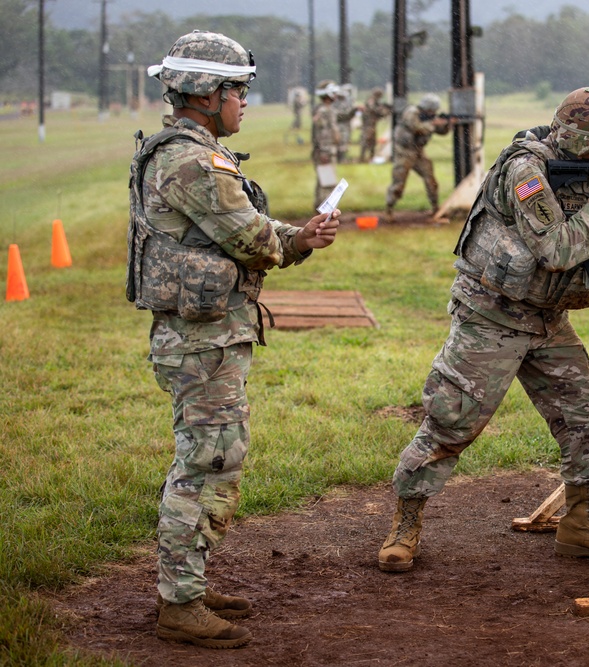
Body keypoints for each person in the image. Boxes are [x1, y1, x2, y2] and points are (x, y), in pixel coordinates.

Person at [377, 86, 589, 573]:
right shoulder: (527, 169)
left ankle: (579, 525)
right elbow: (556, 249)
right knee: (453, 419)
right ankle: (404, 524)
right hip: (492, 315)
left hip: (546, 317)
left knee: (583, 416)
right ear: (582, 141)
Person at [129, 30, 341, 648]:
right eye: (237, 90)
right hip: (203, 340)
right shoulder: (194, 160)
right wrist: (295, 240)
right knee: (206, 463)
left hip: (207, 335)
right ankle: (180, 601)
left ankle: (189, 582)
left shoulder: (192, 153)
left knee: (214, 457)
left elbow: (238, 231)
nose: (244, 102)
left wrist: (296, 235)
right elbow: (250, 240)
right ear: (206, 92)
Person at [384, 93, 452, 222]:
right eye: (432, 111)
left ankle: (435, 208)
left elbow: (441, 132)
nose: (433, 113)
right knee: (399, 182)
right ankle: (389, 209)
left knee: (430, 180)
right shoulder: (412, 112)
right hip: (404, 152)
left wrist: (446, 124)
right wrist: (433, 124)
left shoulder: (428, 118)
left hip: (419, 152)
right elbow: (416, 128)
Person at [312, 80, 343, 210]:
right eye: (334, 93)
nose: (336, 95)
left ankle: (319, 210)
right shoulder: (324, 111)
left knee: (323, 182)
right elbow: (323, 134)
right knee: (328, 184)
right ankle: (325, 214)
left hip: (326, 151)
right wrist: (325, 152)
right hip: (325, 152)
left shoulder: (327, 110)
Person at [359, 88, 392, 163]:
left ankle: (371, 157)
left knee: (372, 141)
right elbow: (374, 109)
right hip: (368, 124)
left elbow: (379, 113)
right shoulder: (371, 100)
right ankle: (362, 157)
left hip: (372, 124)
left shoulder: (376, 102)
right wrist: (382, 109)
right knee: (366, 140)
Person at [333, 83, 357, 162]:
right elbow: (338, 114)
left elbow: (348, 114)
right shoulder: (335, 103)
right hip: (339, 124)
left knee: (344, 141)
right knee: (338, 141)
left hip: (345, 124)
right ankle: (339, 157)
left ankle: (342, 157)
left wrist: (353, 112)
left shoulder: (347, 102)